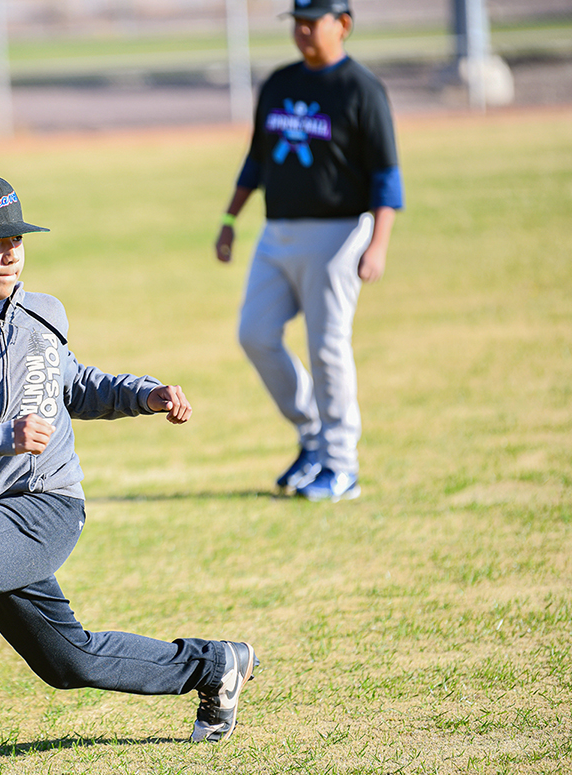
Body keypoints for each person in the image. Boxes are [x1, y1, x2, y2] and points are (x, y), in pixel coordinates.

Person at [0, 172, 257, 775]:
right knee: (71, 663)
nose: (11, 251)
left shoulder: (43, 314)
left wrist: (141, 394)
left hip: (47, 504)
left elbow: (72, 384)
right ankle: (216, 665)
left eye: (16, 237)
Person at [214, 0, 404, 502]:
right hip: (278, 232)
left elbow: (386, 176)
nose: (301, 31)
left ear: (342, 24)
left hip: (339, 233)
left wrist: (378, 244)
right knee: (254, 334)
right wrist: (230, 219)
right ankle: (313, 436)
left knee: (327, 346)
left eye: (312, 21)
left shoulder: (361, 89)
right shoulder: (279, 83)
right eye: (296, 22)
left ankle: (342, 465)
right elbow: (256, 159)